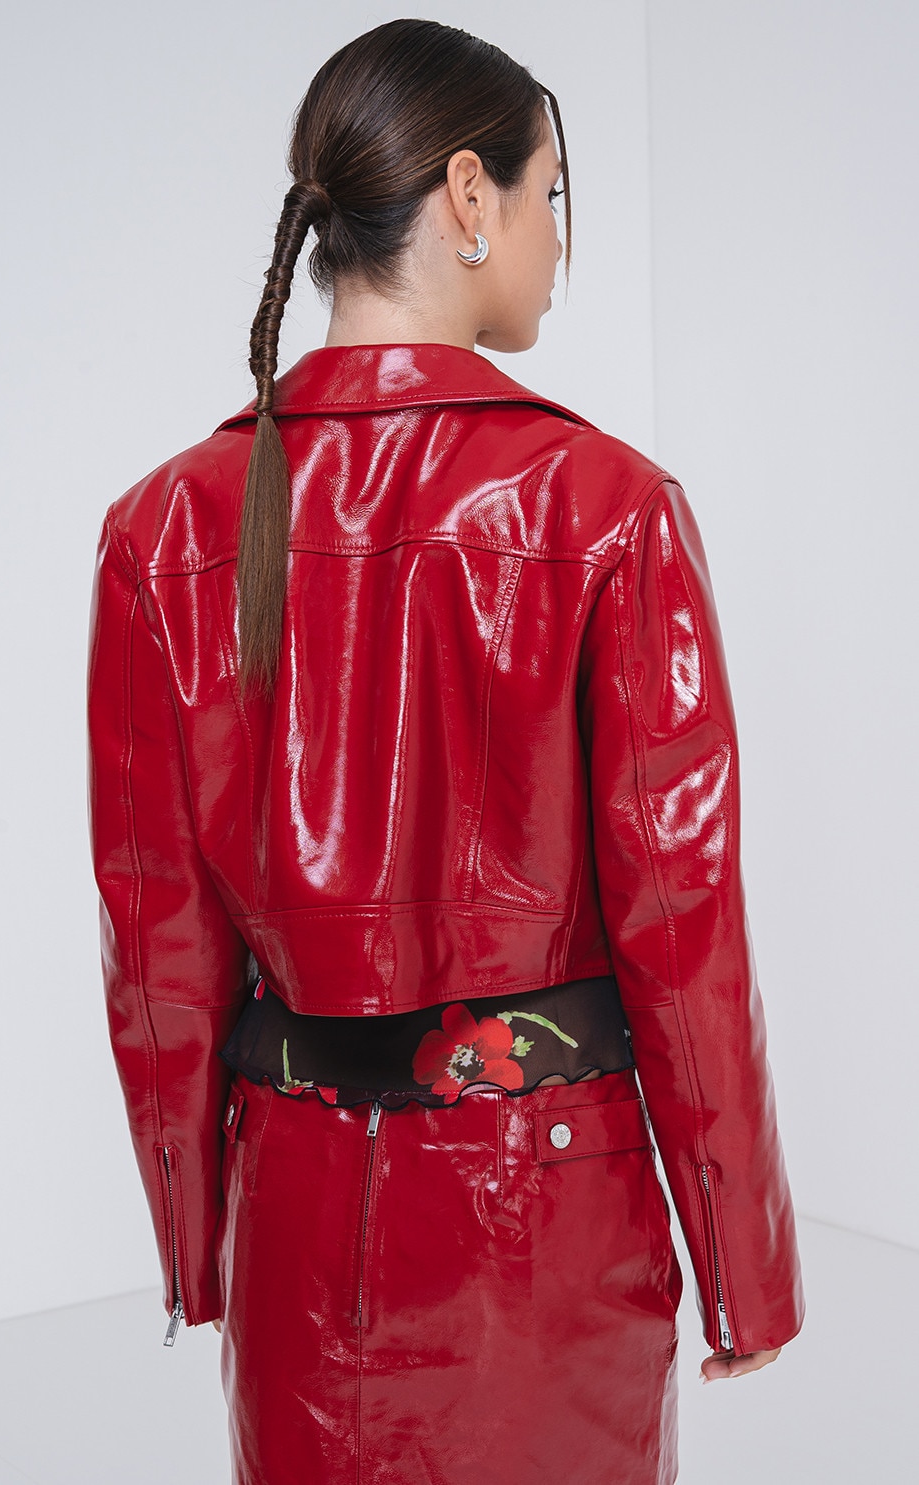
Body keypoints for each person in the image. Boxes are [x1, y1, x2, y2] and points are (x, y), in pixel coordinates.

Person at [86, 18, 805, 1485]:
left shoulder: (160, 529)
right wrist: (744, 1263)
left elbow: (157, 941)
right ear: (471, 196)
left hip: (294, 1218)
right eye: (553, 194)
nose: (558, 238)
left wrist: (196, 1239)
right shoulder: (608, 507)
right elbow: (681, 921)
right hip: (548, 1222)